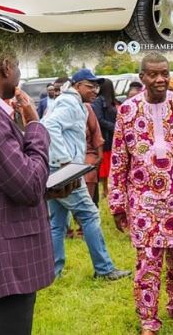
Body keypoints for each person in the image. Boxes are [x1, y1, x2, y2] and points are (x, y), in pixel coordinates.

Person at [0, 47, 79, 335]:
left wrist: (49, 190)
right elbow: (28, 186)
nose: (19, 73)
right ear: (7, 66)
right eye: (19, 66)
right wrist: (34, 124)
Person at [109, 53, 173, 335]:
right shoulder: (127, 111)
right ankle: (148, 320)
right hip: (143, 203)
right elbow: (119, 159)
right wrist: (117, 203)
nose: (160, 79)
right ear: (141, 77)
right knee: (147, 264)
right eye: (153, 74)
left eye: (164, 73)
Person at [42, 69, 129, 281]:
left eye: (97, 87)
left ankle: (52, 273)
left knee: (57, 222)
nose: (95, 91)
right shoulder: (70, 103)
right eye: (90, 86)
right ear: (77, 85)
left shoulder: (69, 101)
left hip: (56, 169)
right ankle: (105, 269)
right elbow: (49, 125)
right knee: (90, 215)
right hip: (63, 170)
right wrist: (64, 160)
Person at [92, 78, 119, 205]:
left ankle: (109, 189)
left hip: (112, 137)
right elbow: (98, 119)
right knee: (104, 165)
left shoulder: (113, 102)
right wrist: (114, 127)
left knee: (110, 165)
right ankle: (105, 190)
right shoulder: (98, 101)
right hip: (105, 136)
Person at [83, 99, 104, 206]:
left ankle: (88, 209)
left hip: (87, 153)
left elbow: (96, 131)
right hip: (65, 156)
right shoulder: (53, 108)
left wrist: (100, 156)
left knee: (89, 174)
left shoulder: (86, 107)